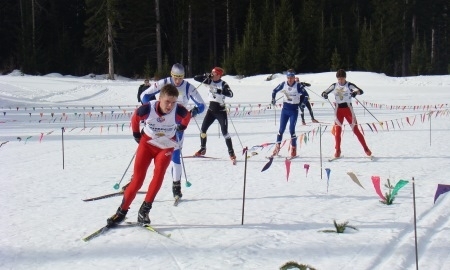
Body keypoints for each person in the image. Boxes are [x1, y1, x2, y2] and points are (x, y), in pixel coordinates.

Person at [107, 84, 191, 227]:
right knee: (138, 180)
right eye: (167, 102)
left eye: (173, 102)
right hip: (147, 144)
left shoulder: (179, 110)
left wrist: (181, 127)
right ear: (160, 99)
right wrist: (136, 134)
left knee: (158, 176)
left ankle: (144, 211)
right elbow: (135, 117)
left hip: (165, 146)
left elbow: (187, 116)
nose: (170, 105)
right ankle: (121, 212)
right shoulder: (148, 108)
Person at [139, 63, 206, 200]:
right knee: (147, 152)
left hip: (177, 127)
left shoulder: (188, 87)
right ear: (171, 74)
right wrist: (151, 109)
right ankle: (136, 179)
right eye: (175, 77)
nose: (177, 81)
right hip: (157, 125)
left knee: (175, 156)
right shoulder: (164, 83)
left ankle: (176, 186)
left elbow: (202, 105)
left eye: (180, 78)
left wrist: (192, 112)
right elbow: (144, 95)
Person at [321, 69, 372, 158]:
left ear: (345, 78)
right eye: (339, 79)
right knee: (338, 131)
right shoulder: (334, 85)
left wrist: (355, 93)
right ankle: (337, 150)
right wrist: (325, 94)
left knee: (356, 130)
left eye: (342, 79)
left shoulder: (349, 85)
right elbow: (324, 92)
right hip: (338, 110)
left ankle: (366, 149)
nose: (341, 81)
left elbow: (360, 91)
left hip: (348, 109)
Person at [192, 67, 237, 165]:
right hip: (211, 111)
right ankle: (203, 148)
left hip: (221, 111)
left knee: (225, 133)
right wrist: (205, 76)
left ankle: (231, 153)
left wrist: (220, 91)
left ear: (219, 75)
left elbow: (230, 94)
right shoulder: (209, 80)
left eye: (214, 73)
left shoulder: (223, 84)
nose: (212, 74)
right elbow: (195, 78)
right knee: (203, 129)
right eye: (211, 73)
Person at [271, 69, 307, 158]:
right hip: (285, 110)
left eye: (292, 78)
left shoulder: (298, 86)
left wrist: (303, 104)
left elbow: (306, 95)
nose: (290, 80)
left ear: (294, 77)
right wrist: (273, 99)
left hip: (293, 111)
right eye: (288, 78)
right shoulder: (283, 84)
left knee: (292, 130)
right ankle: (277, 147)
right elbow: (274, 91)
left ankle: (293, 149)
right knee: (281, 129)